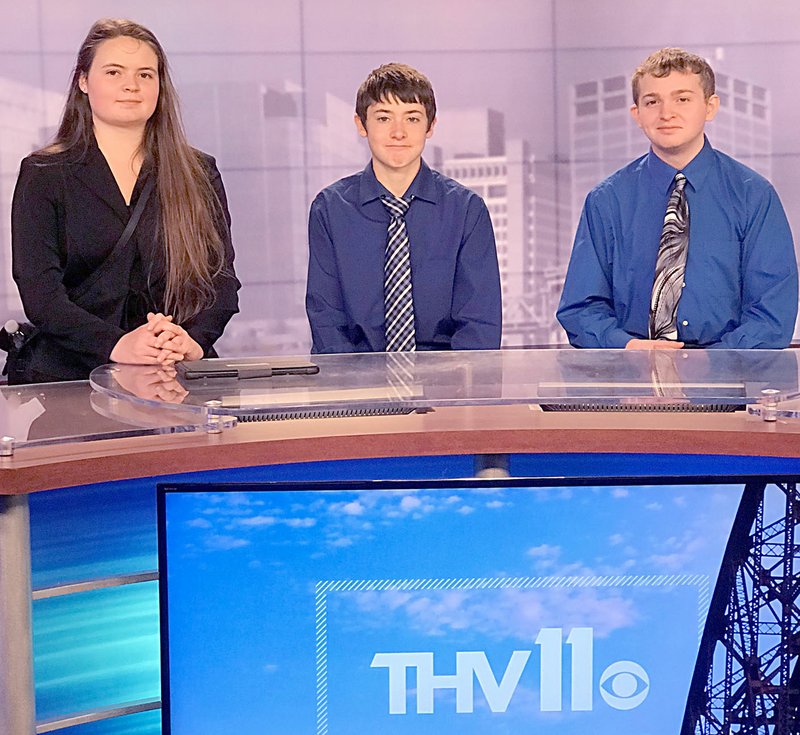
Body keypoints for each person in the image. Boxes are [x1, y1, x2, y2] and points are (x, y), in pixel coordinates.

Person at [9, 18, 239, 384]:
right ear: (84, 81)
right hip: (71, 379)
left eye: (146, 75)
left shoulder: (198, 172)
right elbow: (41, 295)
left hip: (173, 378)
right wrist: (117, 345)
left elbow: (221, 282)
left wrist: (191, 341)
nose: (131, 85)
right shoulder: (44, 173)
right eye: (114, 72)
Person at [557, 48, 798, 350]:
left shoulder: (753, 195)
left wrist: (706, 366)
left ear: (710, 107)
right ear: (637, 114)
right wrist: (627, 349)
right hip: (629, 384)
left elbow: (772, 315)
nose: (666, 113)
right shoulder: (606, 201)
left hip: (728, 385)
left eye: (682, 99)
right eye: (652, 101)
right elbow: (580, 309)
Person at [305, 63, 502, 353]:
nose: (398, 133)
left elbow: (478, 325)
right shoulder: (331, 209)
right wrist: (356, 391)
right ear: (361, 124)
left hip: (446, 386)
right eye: (384, 118)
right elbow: (326, 320)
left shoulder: (466, 211)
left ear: (430, 126)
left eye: (412, 119)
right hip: (357, 386)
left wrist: (455, 393)